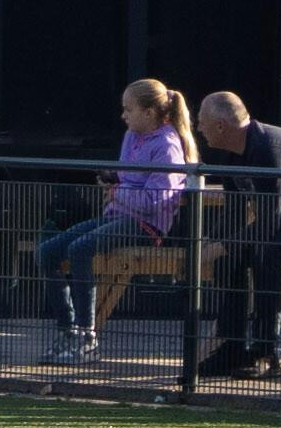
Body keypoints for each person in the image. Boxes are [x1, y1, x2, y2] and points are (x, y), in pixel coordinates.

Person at [37, 79, 194, 357]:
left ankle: (86, 335)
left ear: (149, 112)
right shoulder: (132, 135)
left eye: (128, 109)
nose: (123, 116)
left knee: (80, 248)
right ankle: (67, 331)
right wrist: (113, 179)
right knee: (47, 251)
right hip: (117, 215)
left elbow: (154, 201)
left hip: (147, 226)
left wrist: (117, 191)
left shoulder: (167, 146)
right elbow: (126, 179)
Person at [186, 86, 281, 376]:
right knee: (229, 259)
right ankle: (231, 347)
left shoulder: (267, 149)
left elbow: (272, 220)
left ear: (221, 126)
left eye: (201, 122)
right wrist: (209, 243)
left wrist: (220, 245)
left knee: (264, 253)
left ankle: (265, 352)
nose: (198, 129)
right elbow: (235, 209)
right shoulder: (230, 151)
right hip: (278, 226)